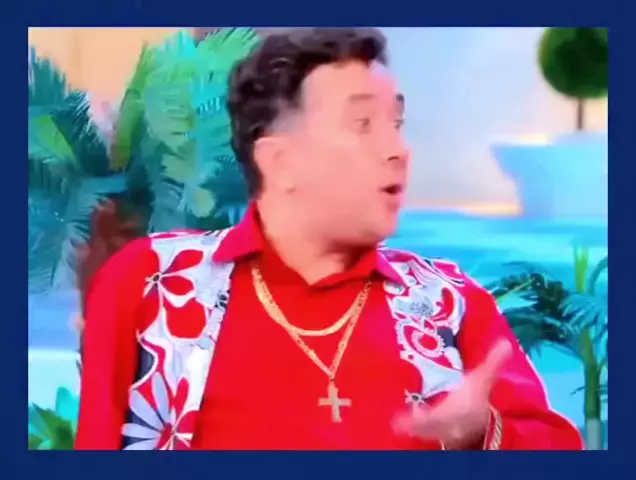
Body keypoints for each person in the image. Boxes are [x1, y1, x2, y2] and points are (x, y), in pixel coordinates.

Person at [75, 27, 584, 450]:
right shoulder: (155, 282)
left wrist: (482, 434)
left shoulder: (449, 304)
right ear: (280, 161)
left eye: (397, 123)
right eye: (363, 124)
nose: (398, 149)